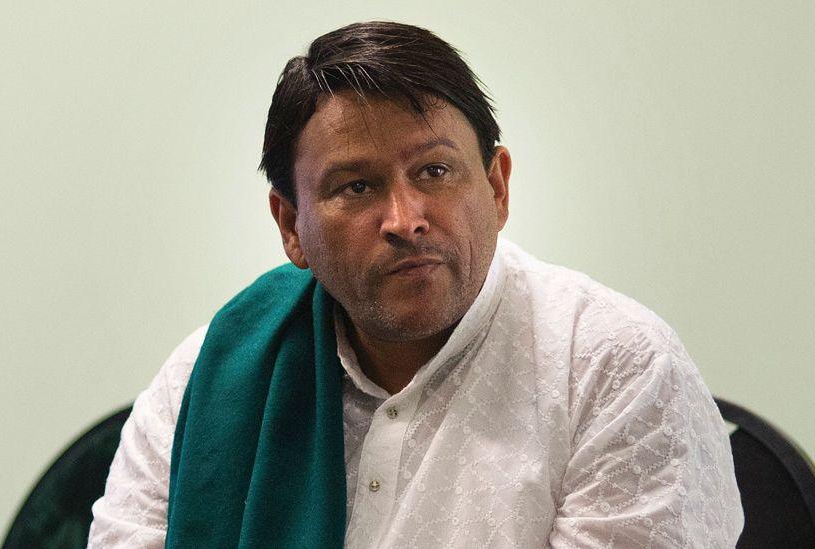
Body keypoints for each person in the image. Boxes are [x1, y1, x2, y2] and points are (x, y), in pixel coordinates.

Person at [87, 21, 743, 548]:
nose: (405, 220)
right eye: (358, 186)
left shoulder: (614, 369)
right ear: (291, 225)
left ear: (496, 185)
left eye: (433, 171)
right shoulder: (206, 379)